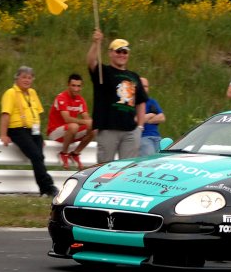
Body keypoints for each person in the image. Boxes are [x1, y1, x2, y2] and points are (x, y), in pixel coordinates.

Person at [86, 30, 147, 164]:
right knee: (103, 167)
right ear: (110, 53)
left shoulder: (134, 76)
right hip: (108, 128)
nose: (121, 54)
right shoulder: (104, 72)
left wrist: (140, 127)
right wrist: (96, 43)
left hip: (130, 130)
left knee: (128, 169)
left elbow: (141, 101)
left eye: (124, 52)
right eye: (118, 51)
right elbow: (91, 62)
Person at [0, 66, 57, 197]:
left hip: (33, 130)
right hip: (17, 130)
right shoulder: (11, 93)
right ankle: (49, 187)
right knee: (36, 156)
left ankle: (44, 190)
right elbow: (5, 114)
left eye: (29, 77)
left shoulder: (32, 93)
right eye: (24, 77)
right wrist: (3, 134)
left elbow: (36, 114)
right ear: (17, 78)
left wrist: (39, 135)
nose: (27, 80)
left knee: (39, 157)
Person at [47, 73, 95, 170]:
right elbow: (67, 119)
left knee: (94, 129)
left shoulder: (80, 100)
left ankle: (75, 153)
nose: (76, 89)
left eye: (78, 86)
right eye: (73, 85)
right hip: (55, 132)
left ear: (81, 87)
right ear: (68, 85)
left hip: (69, 132)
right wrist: (86, 122)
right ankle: (64, 153)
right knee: (74, 126)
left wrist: (92, 124)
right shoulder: (61, 97)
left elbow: (86, 118)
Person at [138, 76, 166, 156]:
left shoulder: (152, 101)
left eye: (146, 86)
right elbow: (136, 120)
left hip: (157, 136)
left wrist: (147, 119)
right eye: (141, 86)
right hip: (143, 137)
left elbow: (162, 118)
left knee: (161, 160)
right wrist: (151, 114)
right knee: (150, 161)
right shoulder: (134, 103)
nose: (144, 88)